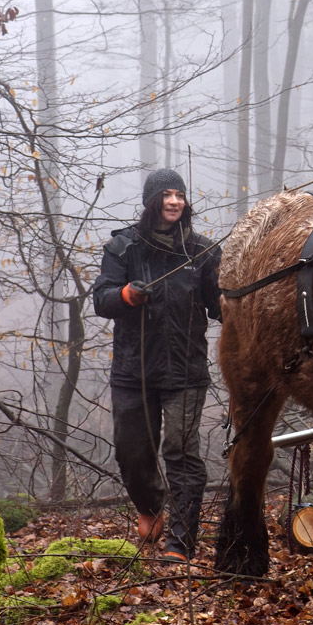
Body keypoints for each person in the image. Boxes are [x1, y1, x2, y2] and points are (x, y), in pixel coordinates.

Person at [93, 168, 222, 562]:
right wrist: (127, 295)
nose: (174, 201)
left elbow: (219, 307)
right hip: (133, 373)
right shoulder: (122, 249)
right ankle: (150, 508)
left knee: (181, 452)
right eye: (166, 195)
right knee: (132, 453)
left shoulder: (202, 251)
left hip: (185, 372)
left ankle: (179, 544)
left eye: (179, 194)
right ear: (152, 202)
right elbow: (102, 300)